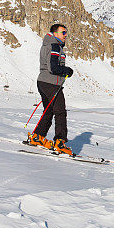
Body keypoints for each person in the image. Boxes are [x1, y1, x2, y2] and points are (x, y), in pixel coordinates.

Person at [28, 23, 74, 154]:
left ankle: (38, 136)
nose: (66, 35)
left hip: (43, 81)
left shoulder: (47, 45)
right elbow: (53, 68)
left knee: (48, 111)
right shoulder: (54, 46)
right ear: (55, 33)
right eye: (63, 32)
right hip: (51, 83)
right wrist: (67, 71)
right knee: (60, 112)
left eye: (66, 33)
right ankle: (60, 142)